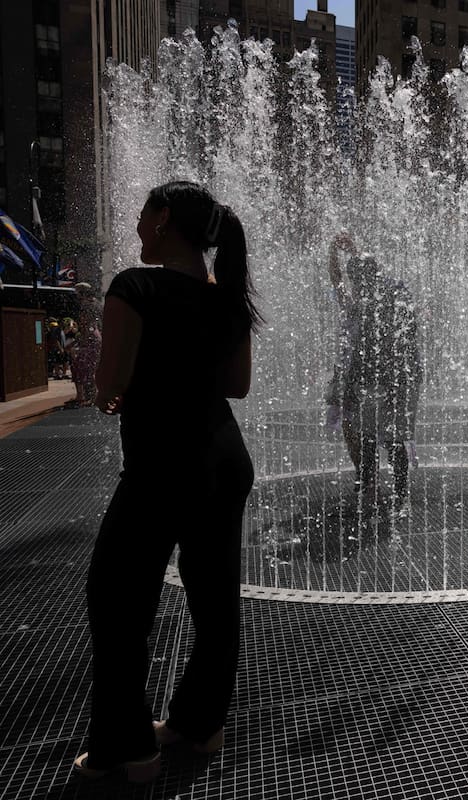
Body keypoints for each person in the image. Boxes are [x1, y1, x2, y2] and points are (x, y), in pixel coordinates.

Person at [73, 181, 260, 783]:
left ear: (162, 220)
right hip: (224, 460)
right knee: (214, 600)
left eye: (141, 214)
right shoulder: (227, 297)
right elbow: (237, 386)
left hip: (160, 465)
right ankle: (200, 725)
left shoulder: (135, 286)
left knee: (117, 601)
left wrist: (120, 387)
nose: (134, 224)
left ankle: (127, 751)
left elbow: (107, 390)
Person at [328, 232, 422, 521]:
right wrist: (339, 252)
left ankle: (399, 495)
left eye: (360, 281)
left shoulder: (392, 298)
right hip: (373, 379)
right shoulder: (361, 302)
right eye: (356, 282)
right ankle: (370, 491)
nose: (357, 287)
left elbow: (408, 334)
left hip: (397, 378)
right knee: (369, 438)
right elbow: (338, 281)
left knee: (392, 438)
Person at [66, 283, 102, 406]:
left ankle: (89, 396)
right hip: (95, 338)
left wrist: (77, 343)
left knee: (83, 367)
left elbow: (86, 326)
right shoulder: (96, 303)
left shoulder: (86, 305)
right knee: (87, 368)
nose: (76, 295)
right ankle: (87, 396)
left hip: (90, 339)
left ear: (82, 292)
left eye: (77, 292)